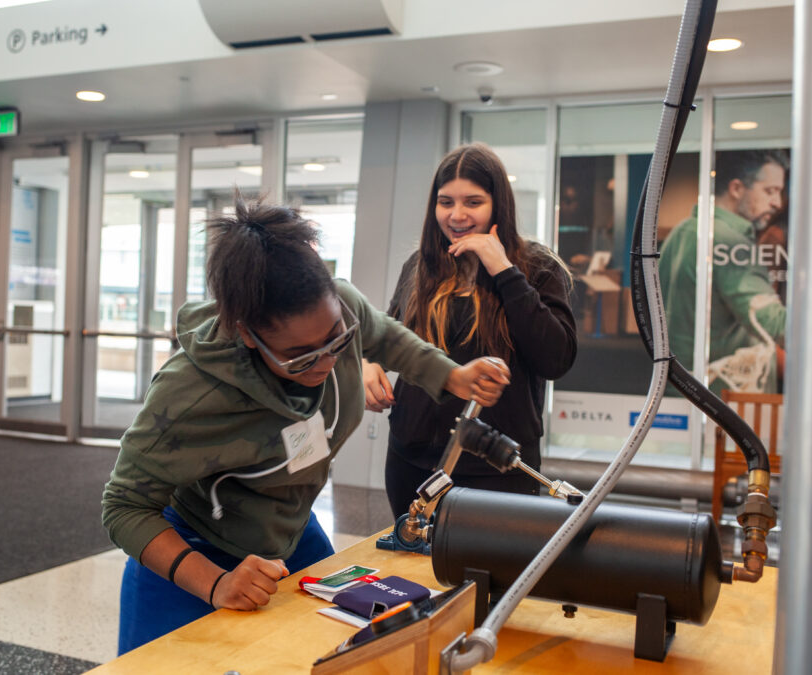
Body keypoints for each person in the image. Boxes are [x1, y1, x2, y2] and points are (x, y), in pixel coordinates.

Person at [101, 199, 510, 654]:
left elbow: (383, 334)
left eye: (336, 338)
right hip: (196, 548)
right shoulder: (188, 396)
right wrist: (216, 583)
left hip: (288, 534)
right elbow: (123, 506)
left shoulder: (343, 307)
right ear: (245, 333)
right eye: (301, 355)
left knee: (325, 653)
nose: (328, 361)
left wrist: (451, 375)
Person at [361, 143, 578, 520]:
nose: (457, 215)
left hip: (496, 467)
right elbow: (389, 333)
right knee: (415, 572)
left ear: (498, 205)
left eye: (472, 202)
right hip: (411, 458)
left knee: (491, 576)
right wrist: (366, 361)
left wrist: (503, 269)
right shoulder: (422, 265)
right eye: (446, 202)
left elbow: (555, 358)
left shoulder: (537, 266)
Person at [659, 149, 788, 394]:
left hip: (683, 395)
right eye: (769, 191)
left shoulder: (682, 232)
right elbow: (773, 323)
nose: (777, 203)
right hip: (723, 405)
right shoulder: (729, 242)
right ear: (737, 188)